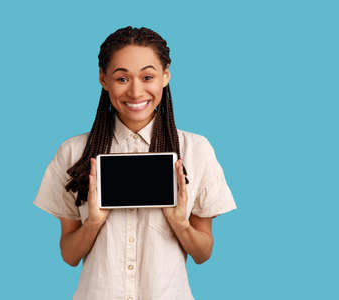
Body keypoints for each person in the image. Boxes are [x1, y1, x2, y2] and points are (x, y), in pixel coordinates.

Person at [33, 26, 237, 300]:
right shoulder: (73, 152)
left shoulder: (196, 150)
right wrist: (93, 223)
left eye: (147, 76)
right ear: (103, 79)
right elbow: (69, 255)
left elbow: (203, 253)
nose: (135, 91)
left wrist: (180, 223)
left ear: (166, 76)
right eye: (122, 78)